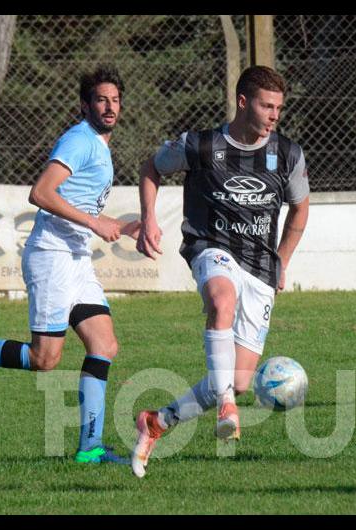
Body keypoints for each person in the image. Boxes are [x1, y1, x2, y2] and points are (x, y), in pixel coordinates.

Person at [0, 65, 139, 465]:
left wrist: (128, 226)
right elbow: (41, 193)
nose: (109, 106)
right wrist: (94, 223)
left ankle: (90, 449)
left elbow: (86, 208)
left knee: (104, 345)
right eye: (101, 99)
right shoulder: (79, 140)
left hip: (77, 258)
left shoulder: (99, 146)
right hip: (52, 258)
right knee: (44, 360)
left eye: (115, 100)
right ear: (85, 104)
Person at [130, 65, 310, 478]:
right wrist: (150, 219)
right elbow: (151, 168)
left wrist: (282, 258)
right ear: (243, 102)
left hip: (261, 266)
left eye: (279, 108)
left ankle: (156, 422)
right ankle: (226, 405)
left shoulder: (287, 154)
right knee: (221, 299)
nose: (274, 116)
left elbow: (300, 207)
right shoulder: (201, 146)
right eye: (267, 106)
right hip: (211, 247)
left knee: (237, 380)